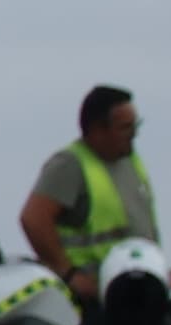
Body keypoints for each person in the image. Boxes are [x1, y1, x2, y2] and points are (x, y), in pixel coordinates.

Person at [21, 85, 161, 293]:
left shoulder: (129, 159)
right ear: (97, 130)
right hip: (94, 297)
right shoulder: (69, 164)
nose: (133, 135)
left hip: (139, 290)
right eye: (125, 128)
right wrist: (69, 274)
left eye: (135, 126)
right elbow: (34, 219)